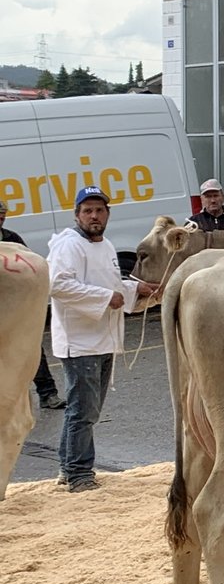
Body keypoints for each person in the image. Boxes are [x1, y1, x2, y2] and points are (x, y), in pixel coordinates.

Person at [47, 186, 160, 493]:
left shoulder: (107, 244)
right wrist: (105, 296)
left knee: (87, 409)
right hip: (80, 341)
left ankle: (68, 467)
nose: (94, 216)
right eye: (88, 210)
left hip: (104, 338)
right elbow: (58, 285)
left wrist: (137, 290)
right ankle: (78, 472)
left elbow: (111, 284)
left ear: (108, 214)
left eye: (99, 210)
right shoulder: (68, 245)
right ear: (77, 214)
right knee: (84, 410)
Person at [0, 200, 66, 410]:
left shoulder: (11, 238)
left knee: (31, 349)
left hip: (16, 308)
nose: (1, 218)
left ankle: (48, 394)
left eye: (3, 214)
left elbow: (29, 265)